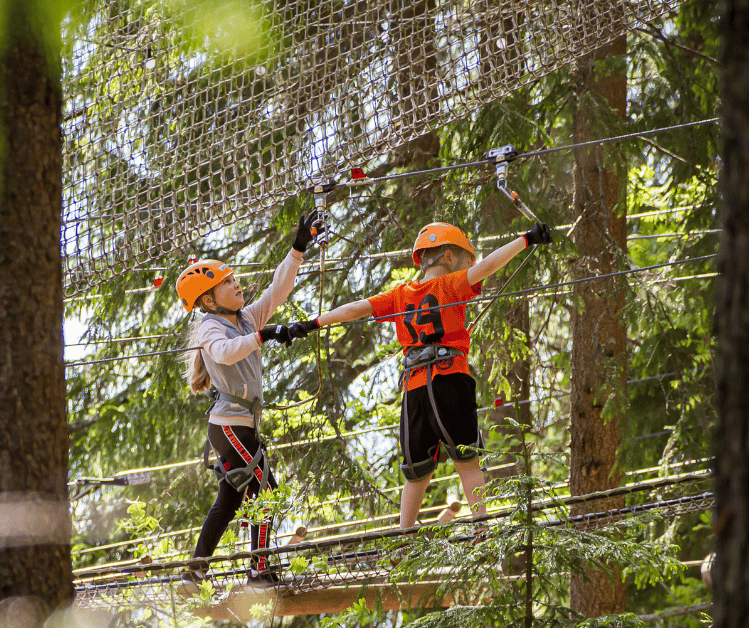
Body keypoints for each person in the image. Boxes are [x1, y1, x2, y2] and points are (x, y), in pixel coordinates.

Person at [288, 221, 552, 530]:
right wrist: (526, 238)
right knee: (467, 461)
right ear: (451, 258)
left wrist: (315, 322)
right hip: (449, 377)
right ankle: (481, 525)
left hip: (414, 387)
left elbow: (354, 309)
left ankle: (405, 534)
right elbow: (490, 265)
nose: (470, 266)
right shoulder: (451, 284)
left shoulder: (400, 295)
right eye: (468, 260)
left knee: (417, 472)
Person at [176, 210, 321, 590]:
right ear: (207, 301)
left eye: (235, 279)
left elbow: (278, 291)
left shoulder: (243, 318)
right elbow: (224, 353)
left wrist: (298, 249)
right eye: (228, 283)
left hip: (239, 425)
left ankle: (195, 571)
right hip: (230, 425)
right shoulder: (211, 326)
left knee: (230, 501)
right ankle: (258, 570)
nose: (237, 286)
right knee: (266, 490)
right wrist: (264, 336)